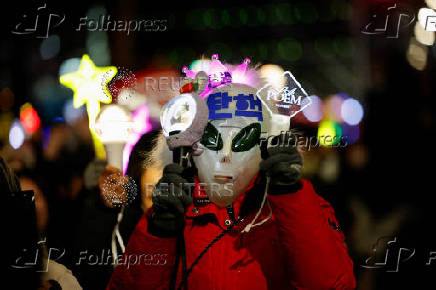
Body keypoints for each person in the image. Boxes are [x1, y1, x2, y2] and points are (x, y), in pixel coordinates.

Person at [106, 77, 356, 289]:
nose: (225, 156)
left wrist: (290, 198)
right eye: (213, 140)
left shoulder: (294, 208)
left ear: (266, 144)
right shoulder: (176, 209)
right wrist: (159, 233)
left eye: (241, 140)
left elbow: (332, 283)